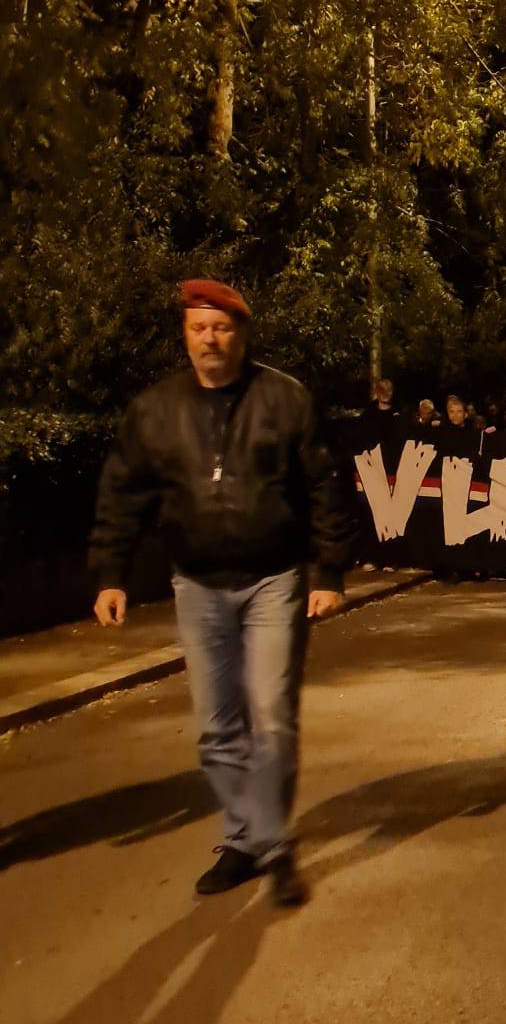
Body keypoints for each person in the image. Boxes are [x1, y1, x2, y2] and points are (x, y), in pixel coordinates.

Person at [89, 279, 351, 907]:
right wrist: (108, 573)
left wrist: (331, 573)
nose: (209, 338)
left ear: (241, 332)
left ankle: (269, 842)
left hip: (273, 580)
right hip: (197, 585)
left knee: (272, 718)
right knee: (216, 729)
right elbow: (122, 493)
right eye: (198, 328)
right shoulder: (156, 410)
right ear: (185, 334)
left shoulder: (283, 399)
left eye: (221, 327)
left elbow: (324, 487)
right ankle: (251, 840)